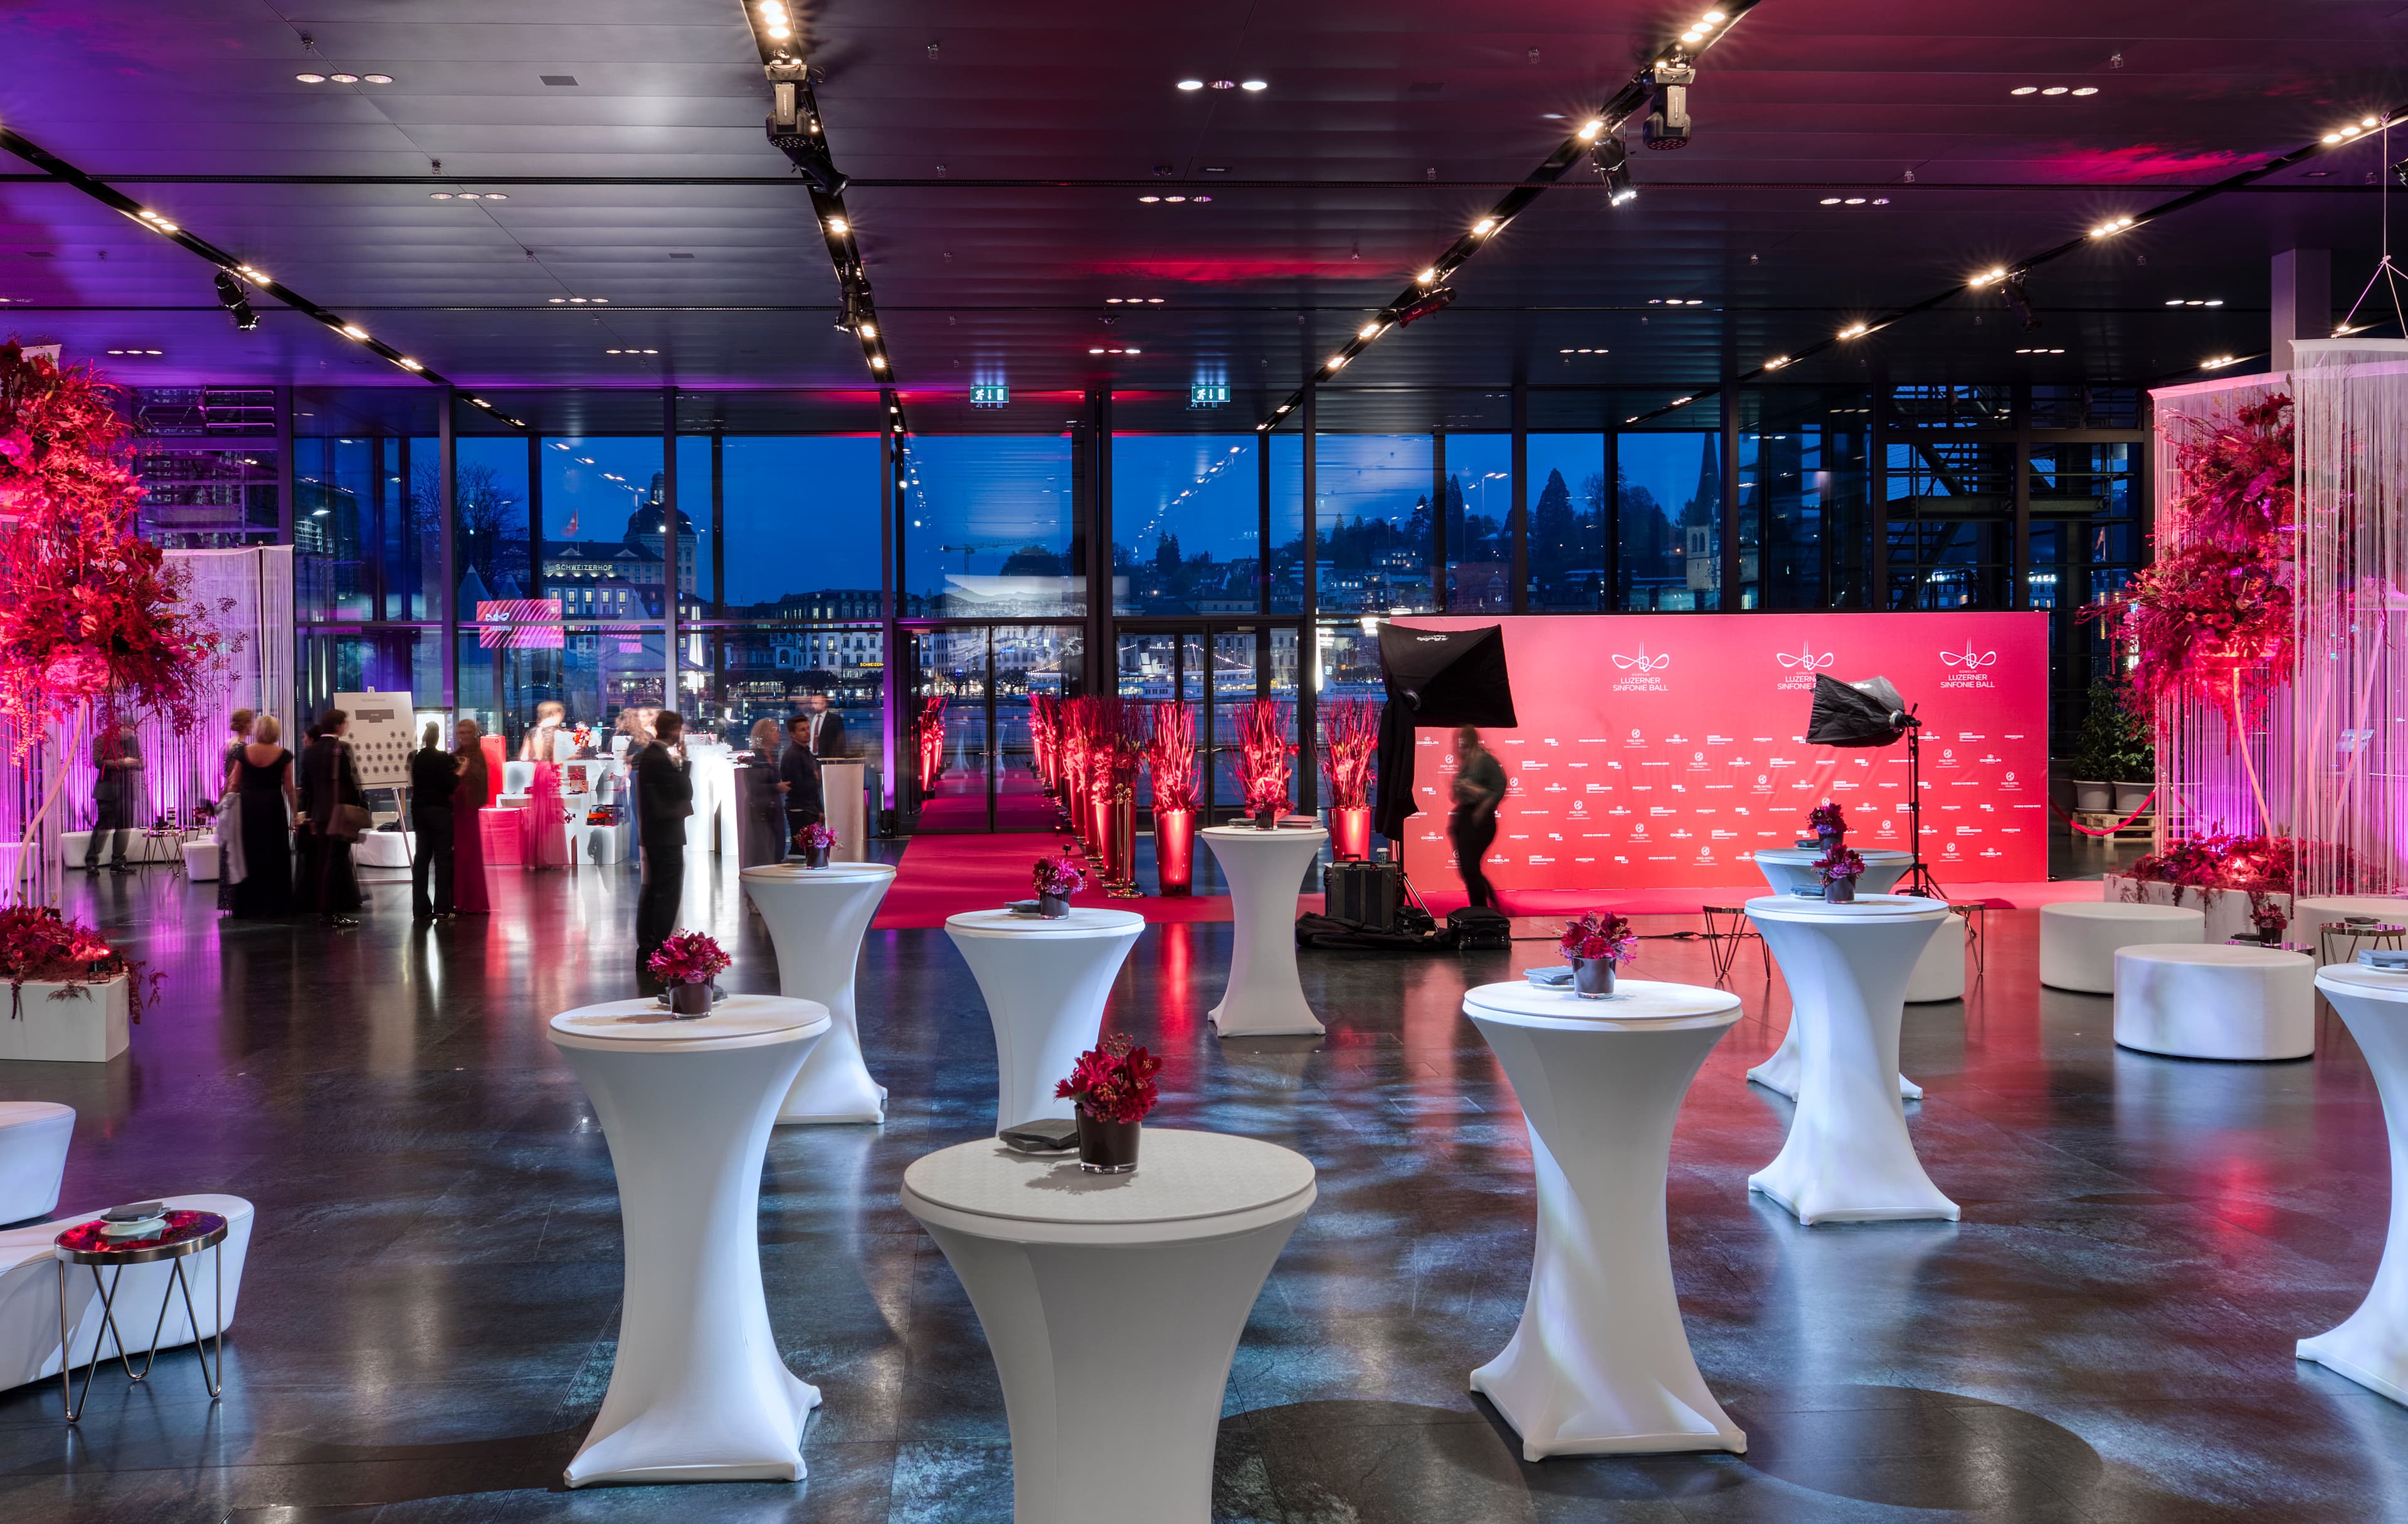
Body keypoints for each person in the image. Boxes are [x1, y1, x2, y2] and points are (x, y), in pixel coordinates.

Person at [633, 710, 694, 992]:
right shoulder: (660, 758)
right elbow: (684, 791)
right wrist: (684, 763)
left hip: (658, 832)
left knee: (653, 887)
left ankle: (650, 943)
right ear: (675, 730)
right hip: (666, 832)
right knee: (667, 890)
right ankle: (659, 944)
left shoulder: (649, 756)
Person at [223, 714, 296, 919]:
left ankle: (248, 906)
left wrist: (228, 809)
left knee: (249, 853)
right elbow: (289, 788)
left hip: (248, 808)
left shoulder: (243, 752)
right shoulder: (284, 755)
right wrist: (296, 814)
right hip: (273, 807)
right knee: (275, 854)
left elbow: (235, 784)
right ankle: (276, 906)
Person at [299, 707, 366, 928]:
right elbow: (350, 782)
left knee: (323, 861)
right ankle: (331, 912)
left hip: (319, 814)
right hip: (340, 813)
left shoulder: (310, 751)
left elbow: (307, 787)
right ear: (338, 726)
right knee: (336, 862)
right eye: (345, 723)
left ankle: (325, 910)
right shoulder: (342, 748)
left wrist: (310, 817)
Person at [1450, 724, 1508, 911]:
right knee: (1468, 869)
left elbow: (1499, 788)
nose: (1461, 749)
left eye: (1465, 745)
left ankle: (1481, 910)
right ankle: (1487, 903)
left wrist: (1475, 793)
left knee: (1470, 869)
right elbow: (1455, 796)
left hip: (1479, 821)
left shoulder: (1484, 761)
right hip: (1465, 818)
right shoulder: (1467, 763)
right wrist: (1460, 787)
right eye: (1460, 745)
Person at [411, 721, 459, 920]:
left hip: (419, 811)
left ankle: (420, 909)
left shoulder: (417, 757)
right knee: (442, 859)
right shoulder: (443, 758)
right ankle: (442, 908)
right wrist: (460, 773)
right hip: (439, 812)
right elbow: (449, 785)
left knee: (422, 859)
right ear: (438, 737)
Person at [85, 717, 144, 873]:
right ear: (118, 727)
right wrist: (123, 762)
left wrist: (136, 763)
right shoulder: (102, 740)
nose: (129, 733)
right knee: (103, 828)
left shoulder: (132, 741)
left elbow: (141, 762)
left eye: (131, 730)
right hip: (108, 791)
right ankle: (92, 861)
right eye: (126, 729)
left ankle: (118, 861)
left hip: (127, 791)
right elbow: (99, 762)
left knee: (124, 828)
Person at [520, 701, 570, 870]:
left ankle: (538, 858)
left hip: (538, 772)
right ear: (556, 714)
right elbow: (558, 759)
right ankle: (551, 857)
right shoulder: (557, 733)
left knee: (539, 815)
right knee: (552, 816)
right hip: (551, 773)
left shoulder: (532, 733)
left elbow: (524, 757)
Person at [452, 720, 492, 915]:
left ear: (474, 733)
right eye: (461, 732)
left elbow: (482, 783)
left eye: (467, 732)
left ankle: (473, 900)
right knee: (460, 856)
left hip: (469, 810)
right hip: (458, 810)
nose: (464, 735)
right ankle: (461, 900)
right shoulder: (457, 754)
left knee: (471, 855)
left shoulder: (478, 755)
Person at [216, 708, 255, 912]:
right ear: (246, 724)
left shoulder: (226, 745)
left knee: (228, 846)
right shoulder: (242, 747)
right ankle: (240, 897)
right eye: (251, 721)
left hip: (227, 797)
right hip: (239, 798)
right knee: (239, 847)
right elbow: (236, 778)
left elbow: (224, 774)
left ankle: (228, 897)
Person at [779, 713, 825, 852]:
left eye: (807, 728)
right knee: (800, 848)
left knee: (808, 848)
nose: (807, 732)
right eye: (802, 730)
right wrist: (815, 779)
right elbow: (796, 786)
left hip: (809, 809)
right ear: (793, 734)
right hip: (800, 810)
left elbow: (814, 787)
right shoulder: (793, 756)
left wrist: (819, 810)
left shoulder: (807, 754)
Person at [802, 693, 848, 758]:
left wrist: (837, 760)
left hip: (827, 758)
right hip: (810, 758)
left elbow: (840, 743)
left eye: (816, 703)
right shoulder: (809, 718)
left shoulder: (834, 719)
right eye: (812, 703)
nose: (812, 706)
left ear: (824, 704)